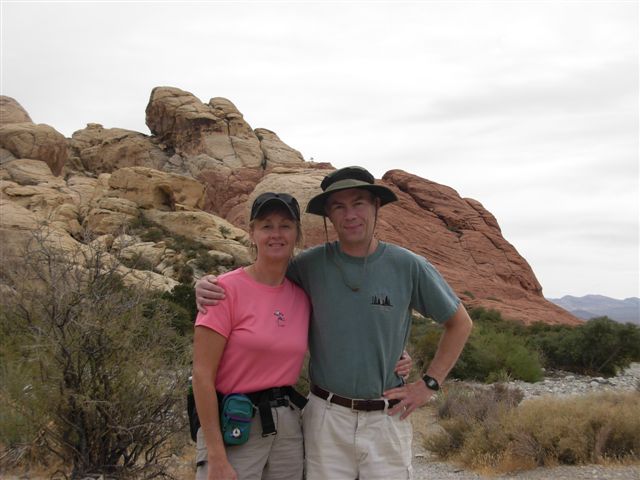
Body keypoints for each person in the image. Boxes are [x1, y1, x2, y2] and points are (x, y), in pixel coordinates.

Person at [196, 166, 473, 480]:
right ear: (328, 215)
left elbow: (459, 323)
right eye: (338, 207)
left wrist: (428, 385)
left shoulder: (409, 266)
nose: (350, 214)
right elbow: (259, 279)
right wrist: (207, 285)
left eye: (358, 203)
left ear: (376, 207)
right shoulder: (308, 266)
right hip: (326, 417)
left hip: (386, 419)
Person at [192, 192, 310, 480]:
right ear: (252, 233)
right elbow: (202, 375)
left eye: (285, 225)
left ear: (297, 235)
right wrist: (216, 456)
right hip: (235, 423)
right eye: (266, 226)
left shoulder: (302, 297)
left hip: (287, 429)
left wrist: (397, 356)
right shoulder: (224, 290)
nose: (276, 234)